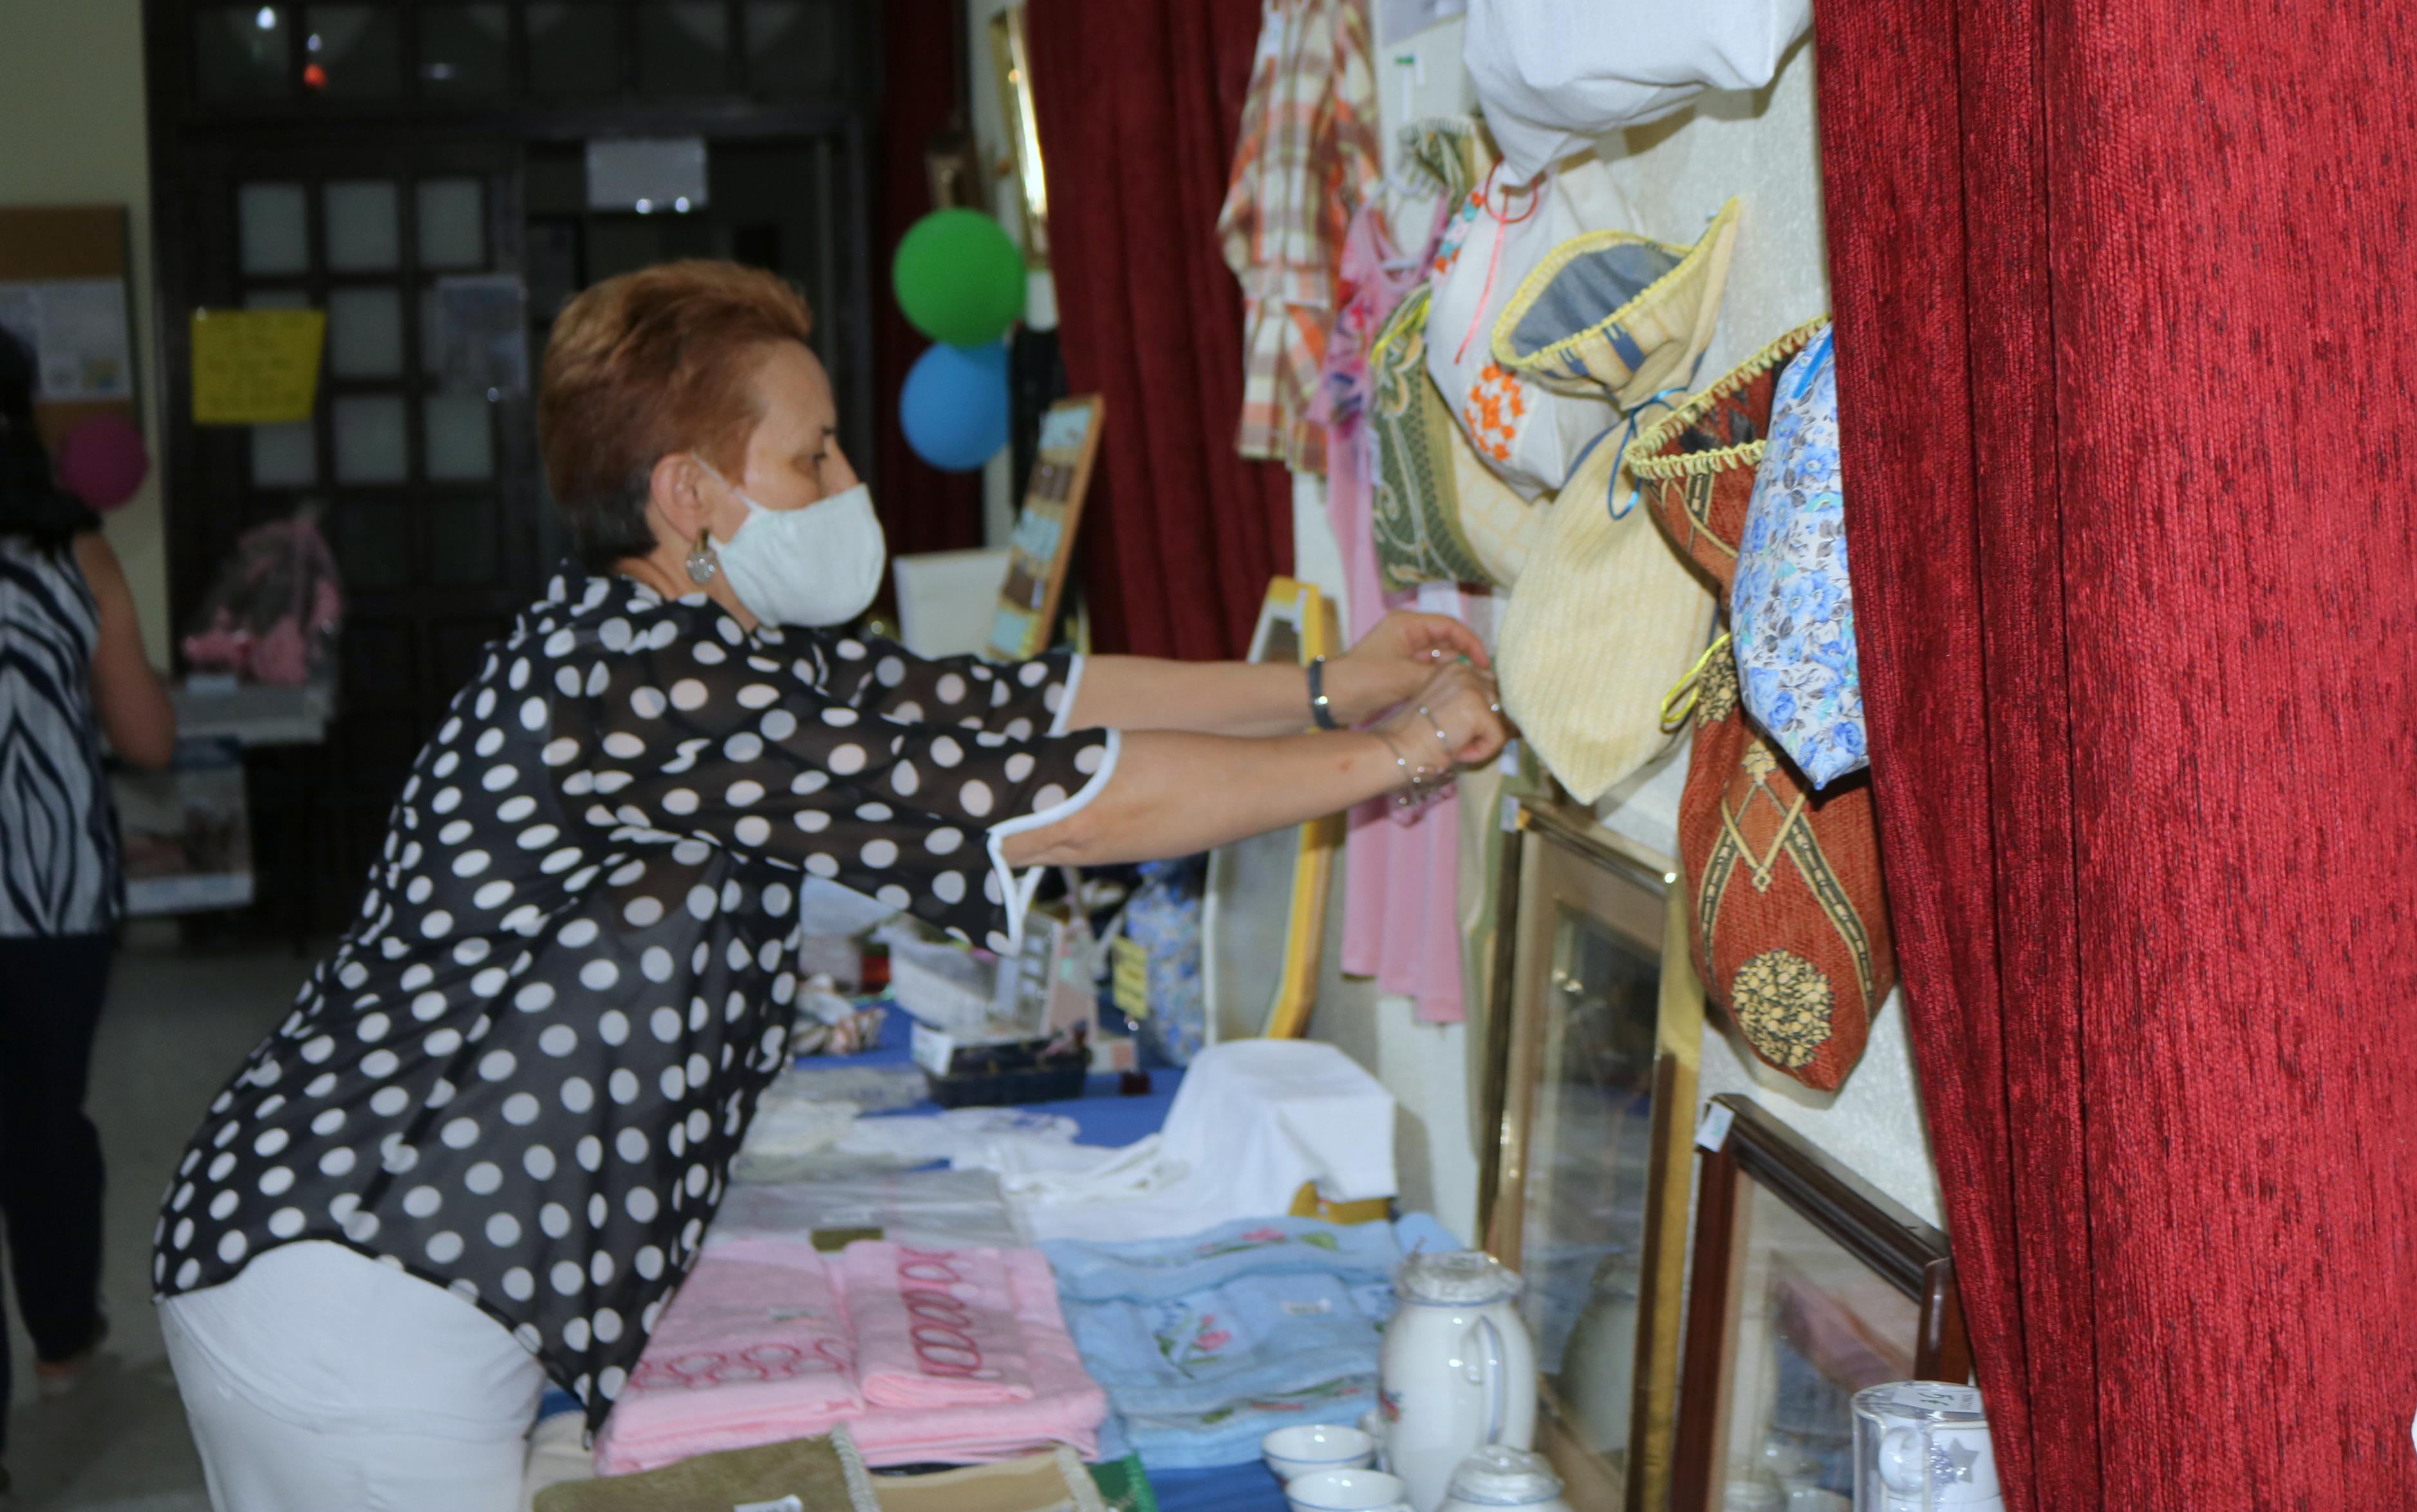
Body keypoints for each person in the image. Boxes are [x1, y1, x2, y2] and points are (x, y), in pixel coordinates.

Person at [151, 260, 1507, 1510]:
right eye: (812, 455)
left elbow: (1024, 706)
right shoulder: (647, 681)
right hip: (364, 1278)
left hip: (424, 1260)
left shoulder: (713, 647)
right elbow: (1068, 807)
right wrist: (1398, 753)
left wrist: (1334, 684)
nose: (849, 477)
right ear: (690, 492)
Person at [0, 328, 175, 1493]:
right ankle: (63, 1344)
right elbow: (150, 741)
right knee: (42, 1120)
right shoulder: (75, 551)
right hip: (51, 891)